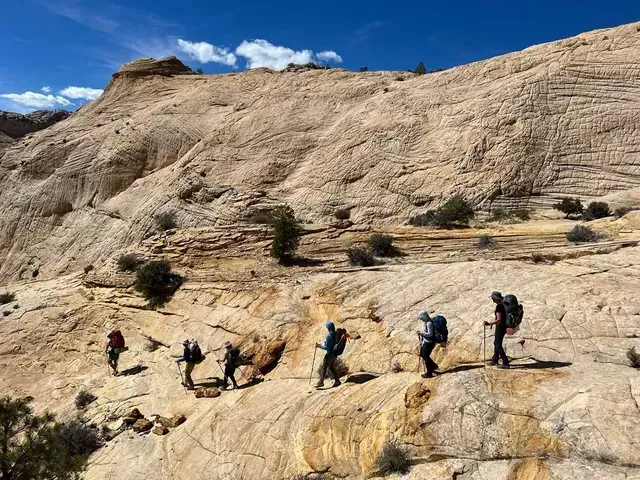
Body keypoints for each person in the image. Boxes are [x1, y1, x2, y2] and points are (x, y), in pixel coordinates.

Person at [485, 291, 510, 368]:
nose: (492, 299)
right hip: (504, 326)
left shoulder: (499, 307)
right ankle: (495, 359)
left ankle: (505, 362)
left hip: (500, 327)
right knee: (496, 343)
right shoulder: (504, 304)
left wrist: (489, 323)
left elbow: (499, 319)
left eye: (493, 298)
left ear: (496, 298)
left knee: (497, 344)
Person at [315, 321, 341, 389]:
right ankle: (337, 380)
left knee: (324, 367)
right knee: (331, 367)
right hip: (335, 354)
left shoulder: (329, 336)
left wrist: (319, 346)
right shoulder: (336, 334)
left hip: (329, 355)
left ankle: (321, 382)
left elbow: (327, 348)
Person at [416, 310, 439, 378]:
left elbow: (430, 334)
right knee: (423, 355)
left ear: (424, 317)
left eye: (421, 318)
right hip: (427, 341)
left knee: (426, 357)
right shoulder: (427, 322)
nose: (421, 319)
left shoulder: (429, 323)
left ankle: (429, 373)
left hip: (429, 342)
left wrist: (421, 334)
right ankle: (434, 366)